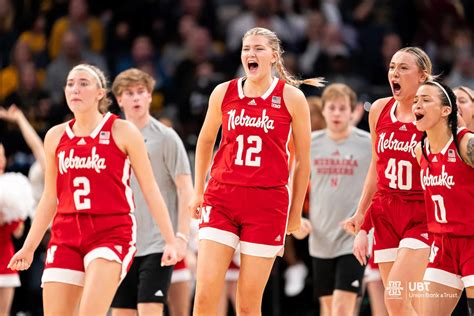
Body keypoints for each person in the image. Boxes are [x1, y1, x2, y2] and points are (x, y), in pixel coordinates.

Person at [8, 64, 178, 315]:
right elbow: (49, 198)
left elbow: (151, 189)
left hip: (111, 232)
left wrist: (171, 241)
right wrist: (30, 246)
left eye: (83, 83)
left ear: (100, 93)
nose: (75, 89)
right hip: (66, 233)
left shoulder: (122, 130)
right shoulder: (55, 136)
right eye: (70, 83)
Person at [188, 27, 324, 315]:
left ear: (274, 56)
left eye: (259, 48)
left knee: (248, 305)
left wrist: (296, 213)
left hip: (267, 204)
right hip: (221, 197)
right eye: (246, 48)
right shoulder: (223, 92)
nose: (251, 53)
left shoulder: (291, 97)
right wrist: (198, 191)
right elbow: (204, 142)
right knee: (204, 296)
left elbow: (302, 160)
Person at [344, 47, 433, 315]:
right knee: (403, 306)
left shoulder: (432, 115)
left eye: (404, 68)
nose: (395, 72)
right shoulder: (380, 109)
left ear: (422, 76)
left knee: (395, 297)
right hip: (385, 214)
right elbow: (375, 167)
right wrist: (361, 214)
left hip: (421, 212)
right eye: (393, 66)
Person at [109, 68, 193, 316]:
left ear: (150, 96)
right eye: (129, 93)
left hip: (158, 243)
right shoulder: (110, 136)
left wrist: (181, 237)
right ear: (119, 100)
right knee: (121, 312)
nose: (135, 98)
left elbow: (186, 188)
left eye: (141, 92)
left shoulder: (166, 137)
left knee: (150, 310)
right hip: (122, 243)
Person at [293, 83, 371, 316]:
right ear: (323, 110)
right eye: (332, 108)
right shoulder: (310, 143)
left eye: (342, 108)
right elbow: (290, 183)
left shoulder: (368, 144)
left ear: (353, 111)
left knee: (341, 309)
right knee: (327, 309)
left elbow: (380, 187)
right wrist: (295, 219)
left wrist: (367, 222)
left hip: (353, 240)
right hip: (320, 239)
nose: (337, 113)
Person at [412, 81, 474, 315]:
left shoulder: (465, 144)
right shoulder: (421, 150)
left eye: (426, 100)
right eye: (416, 100)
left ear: (446, 110)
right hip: (442, 246)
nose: (418, 104)